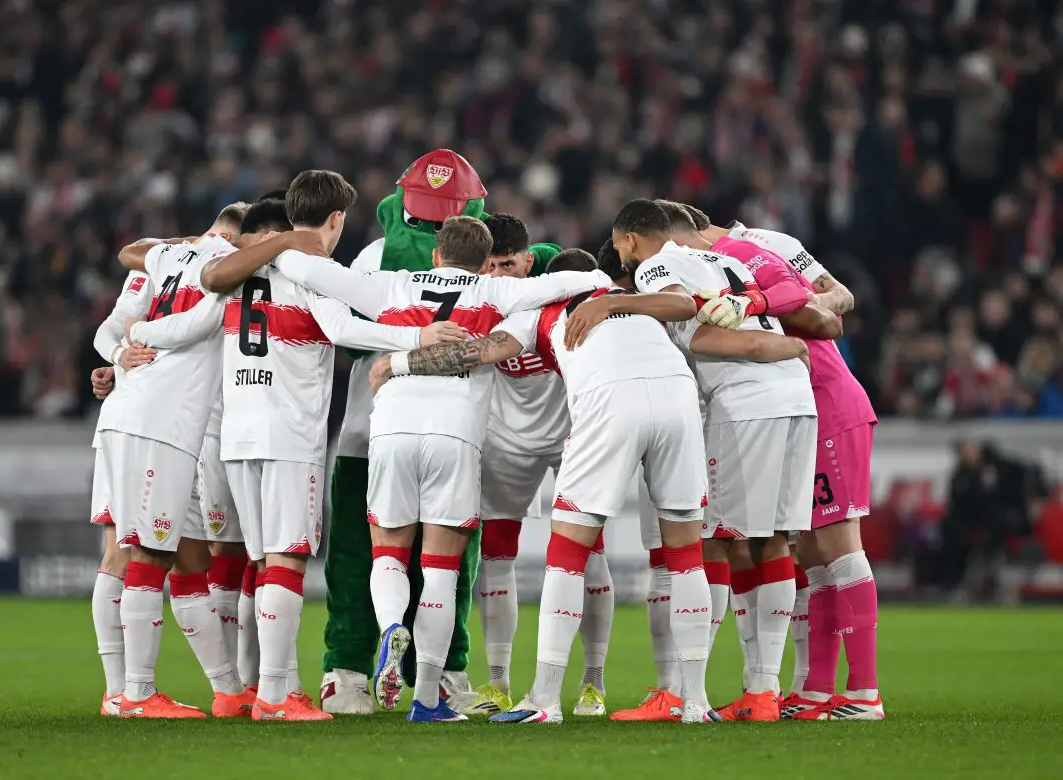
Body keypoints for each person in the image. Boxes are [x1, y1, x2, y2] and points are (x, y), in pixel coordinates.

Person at [247, 210, 601, 722]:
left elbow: (309, 271)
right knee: (441, 571)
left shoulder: (392, 286)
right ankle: (428, 697)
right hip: (454, 436)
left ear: (436, 254)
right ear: (484, 263)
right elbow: (583, 277)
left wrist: (273, 247)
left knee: (387, 555)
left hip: (389, 431)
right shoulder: (496, 294)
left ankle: (392, 625)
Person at [369, 246, 727, 725]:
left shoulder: (541, 312)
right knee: (685, 556)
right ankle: (695, 703)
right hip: (677, 398)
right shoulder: (634, 299)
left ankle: (542, 699)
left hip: (608, 401)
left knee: (567, 554)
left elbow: (478, 350)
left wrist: (397, 364)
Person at [194, 175, 466, 721]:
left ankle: (257, 689)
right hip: (289, 433)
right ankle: (276, 698)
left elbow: (204, 280)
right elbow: (346, 328)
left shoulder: (243, 266)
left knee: (260, 563)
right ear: (337, 218)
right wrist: (417, 338)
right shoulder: (313, 266)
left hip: (238, 431)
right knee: (287, 563)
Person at [574, 200, 821, 722]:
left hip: (745, 406)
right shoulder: (723, 261)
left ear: (627, 241)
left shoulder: (659, 264)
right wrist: (785, 348)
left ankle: (687, 692)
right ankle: (762, 691)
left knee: (705, 538)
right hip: (796, 401)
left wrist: (612, 305)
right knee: (773, 540)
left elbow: (690, 318)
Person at [684, 208, 882, 721]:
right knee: (812, 553)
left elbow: (830, 308)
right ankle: (815, 690)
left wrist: (759, 301)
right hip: (803, 407)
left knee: (840, 544)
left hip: (831, 403)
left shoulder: (750, 251)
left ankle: (864, 692)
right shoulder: (717, 263)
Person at [319, 150, 490, 715]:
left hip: (369, 431)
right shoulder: (482, 268)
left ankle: (345, 674)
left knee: (356, 556)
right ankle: (443, 677)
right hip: (451, 431)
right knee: (448, 563)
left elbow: (343, 337)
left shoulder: (374, 256)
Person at [98, 203, 253, 719]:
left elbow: (130, 252)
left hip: (148, 417)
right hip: (159, 423)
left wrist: (124, 349)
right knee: (147, 554)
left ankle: (228, 689)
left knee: (189, 558)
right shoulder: (224, 266)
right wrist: (138, 339)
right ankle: (135, 694)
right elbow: (198, 324)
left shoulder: (170, 254)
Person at [466, 214, 614, 718]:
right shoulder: (475, 300)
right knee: (496, 555)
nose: (499, 275)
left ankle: (593, 682)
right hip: (505, 440)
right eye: (490, 265)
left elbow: (600, 279)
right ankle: (497, 683)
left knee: (589, 553)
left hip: (572, 436)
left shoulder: (560, 296)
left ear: (529, 262)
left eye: (508, 264)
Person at [87, 269, 156, 715]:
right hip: (134, 427)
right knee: (121, 553)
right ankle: (120, 690)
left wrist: (115, 369)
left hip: (173, 426)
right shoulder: (157, 267)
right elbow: (111, 328)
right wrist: (118, 359)